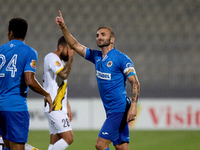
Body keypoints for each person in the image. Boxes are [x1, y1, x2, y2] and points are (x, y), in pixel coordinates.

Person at [55, 11, 140, 150]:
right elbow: (75, 45)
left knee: (100, 145)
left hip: (119, 109)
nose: (99, 37)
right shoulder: (96, 56)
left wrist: (134, 106)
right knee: (121, 147)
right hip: (112, 109)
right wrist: (63, 28)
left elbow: (135, 82)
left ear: (111, 39)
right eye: (97, 35)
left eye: (103, 35)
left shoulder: (121, 58)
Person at [0, 18, 53, 150]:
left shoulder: (1, 50)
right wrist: (46, 93)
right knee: (17, 147)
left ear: (10, 32)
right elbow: (29, 80)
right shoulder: (30, 52)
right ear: (25, 33)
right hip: (15, 107)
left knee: (6, 146)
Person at [43, 36, 75, 150]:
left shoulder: (59, 62)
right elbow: (64, 75)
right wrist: (71, 58)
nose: (71, 52)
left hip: (58, 106)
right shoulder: (51, 57)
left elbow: (59, 87)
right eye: (69, 49)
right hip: (55, 107)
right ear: (60, 47)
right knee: (69, 138)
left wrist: (67, 105)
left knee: (54, 142)